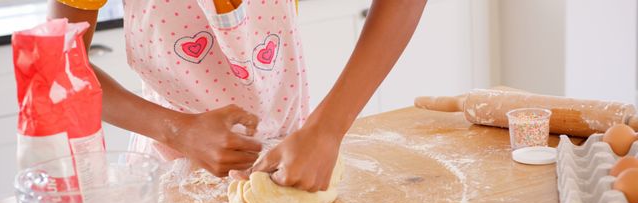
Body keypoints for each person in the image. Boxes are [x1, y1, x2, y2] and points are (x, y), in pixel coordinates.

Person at [49, 0, 427, 192]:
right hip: (169, 164)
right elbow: (59, 61)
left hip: (294, 155)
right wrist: (177, 131)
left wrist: (326, 130)